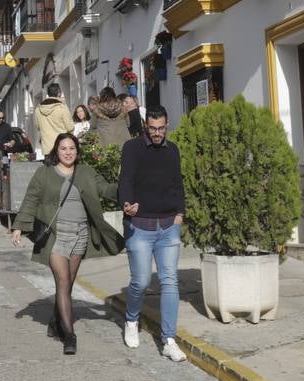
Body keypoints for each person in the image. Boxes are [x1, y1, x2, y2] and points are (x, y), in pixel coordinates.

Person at [11, 132, 124, 356]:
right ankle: (69, 334)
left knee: (68, 284)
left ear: (77, 151)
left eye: (72, 148)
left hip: (80, 234)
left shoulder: (86, 173)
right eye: (63, 148)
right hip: (56, 235)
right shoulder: (44, 173)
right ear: (56, 150)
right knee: (63, 280)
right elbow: (31, 198)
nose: (68, 152)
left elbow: (106, 190)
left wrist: (127, 187)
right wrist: (19, 226)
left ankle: (56, 322)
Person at [118, 108, 187, 362]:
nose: (157, 133)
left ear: (167, 124)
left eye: (161, 128)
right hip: (140, 226)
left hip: (169, 226)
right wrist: (127, 203)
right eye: (152, 128)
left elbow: (177, 183)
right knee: (142, 281)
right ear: (146, 126)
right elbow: (125, 179)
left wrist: (180, 212)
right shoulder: (132, 148)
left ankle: (169, 339)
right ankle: (132, 319)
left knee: (170, 281)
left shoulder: (173, 150)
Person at [34, 83, 74, 163]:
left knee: (49, 173)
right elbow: (70, 127)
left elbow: (38, 127)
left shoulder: (38, 110)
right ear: (59, 93)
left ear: (48, 94)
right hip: (61, 147)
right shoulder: (62, 108)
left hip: (47, 149)